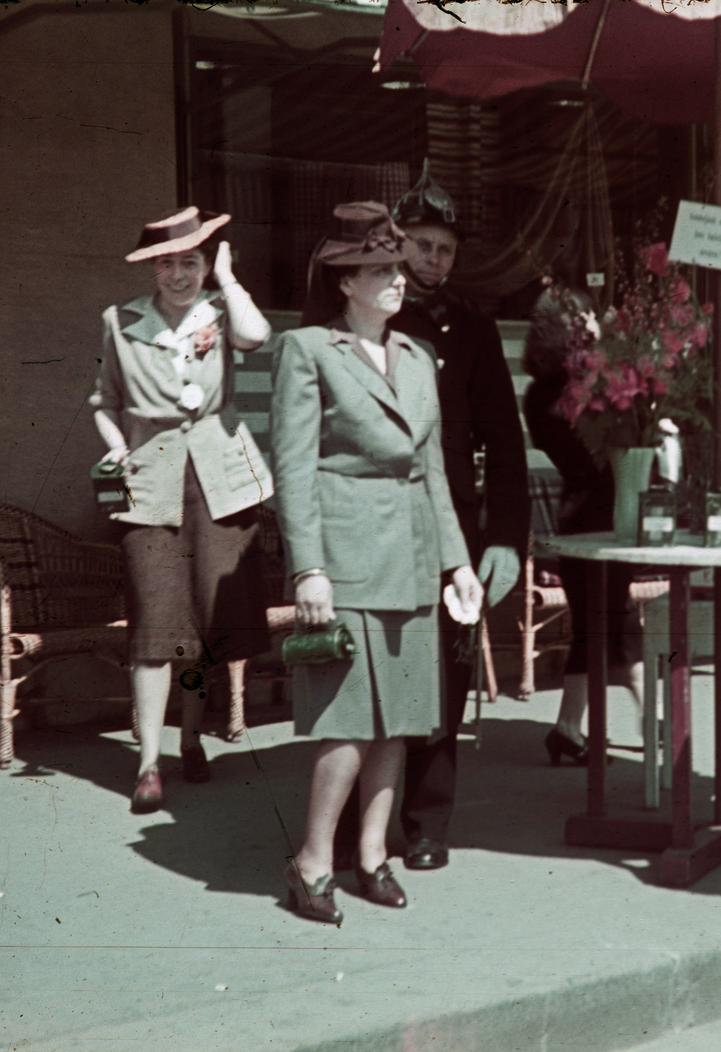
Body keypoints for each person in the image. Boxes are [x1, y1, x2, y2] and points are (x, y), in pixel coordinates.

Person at [270, 201, 484, 925]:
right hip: (349, 558)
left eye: (398, 268)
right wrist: (309, 569)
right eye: (381, 269)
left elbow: (433, 473)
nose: (398, 280)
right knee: (350, 720)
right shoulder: (307, 351)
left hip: (415, 557)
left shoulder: (418, 358)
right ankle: (311, 861)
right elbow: (294, 470)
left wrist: (457, 566)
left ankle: (370, 857)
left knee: (402, 719)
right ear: (344, 284)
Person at [330, 168, 530, 873]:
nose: (431, 260)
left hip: (452, 526)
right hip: (374, 524)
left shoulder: (471, 330)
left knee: (444, 673)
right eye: (420, 244)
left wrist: (506, 539)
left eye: (444, 249)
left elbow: (505, 443)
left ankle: (426, 823)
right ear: (394, 243)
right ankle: (359, 826)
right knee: (373, 674)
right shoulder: (363, 317)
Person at [91, 207, 274, 814]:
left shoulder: (222, 313)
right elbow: (104, 401)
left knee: (202, 625)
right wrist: (119, 448)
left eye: (190, 262)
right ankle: (147, 764)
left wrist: (229, 276)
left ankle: (191, 740)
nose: (179, 275)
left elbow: (257, 337)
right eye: (168, 263)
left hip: (220, 482)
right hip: (151, 485)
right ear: (152, 269)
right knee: (155, 628)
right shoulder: (120, 322)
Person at [521, 286, 647, 765]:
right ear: (569, 329)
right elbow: (597, 453)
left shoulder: (541, 392)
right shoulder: (575, 390)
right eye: (589, 319)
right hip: (601, 512)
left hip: (581, 513)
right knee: (611, 620)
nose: (597, 325)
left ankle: (570, 729)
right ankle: (654, 719)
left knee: (599, 624)